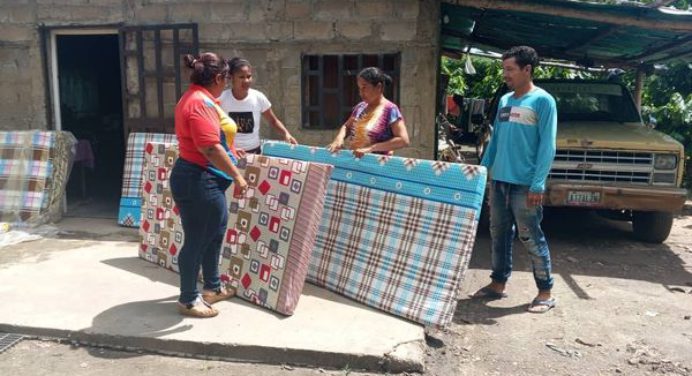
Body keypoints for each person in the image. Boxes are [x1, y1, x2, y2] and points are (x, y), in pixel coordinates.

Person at [472, 46, 558, 314]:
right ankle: (498, 283)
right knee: (498, 233)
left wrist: (538, 183)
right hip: (499, 181)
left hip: (525, 184)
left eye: (510, 69)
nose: (504, 74)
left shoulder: (543, 101)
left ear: (527, 70)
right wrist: (483, 170)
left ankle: (545, 292)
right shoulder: (505, 100)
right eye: (504, 69)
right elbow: (495, 140)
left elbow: (548, 145)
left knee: (530, 236)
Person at [170, 52, 249, 318]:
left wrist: (232, 152)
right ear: (217, 78)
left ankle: (212, 287)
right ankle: (188, 299)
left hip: (207, 179)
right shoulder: (198, 104)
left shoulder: (202, 99)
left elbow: (219, 140)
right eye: (226, 80)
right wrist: (237, 175)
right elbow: (209, 148)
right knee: (197, 240)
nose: (226, 84)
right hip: (198, 179)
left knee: (214, 234)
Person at [218, 57, 297, 154]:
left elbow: (273, 121)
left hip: (254, 152)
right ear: (231, 77)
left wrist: (286, 134)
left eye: (249, 76)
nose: (246, 81)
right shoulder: (221, 99)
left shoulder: (258, 97)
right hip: (230, 153)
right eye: (241, 77)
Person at [327, 67, 409, 157]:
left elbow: (403, 140)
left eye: (364, 87)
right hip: (355, 162)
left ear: (379, 87)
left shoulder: (391, 110)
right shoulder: (360, 107)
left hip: (377, 166)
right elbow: (347, 126)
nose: (361, 92)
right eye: (359, 88)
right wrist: (339, 139)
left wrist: (371, 148)